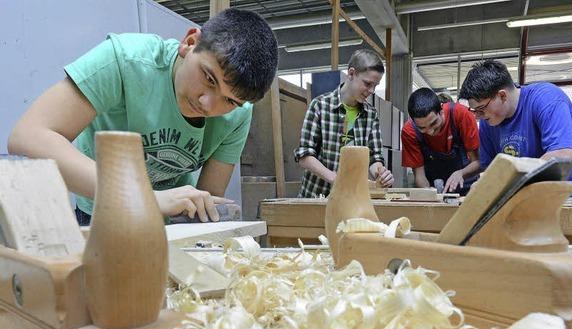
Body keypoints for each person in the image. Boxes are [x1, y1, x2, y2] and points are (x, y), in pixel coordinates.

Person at [8, 8, 279, 224]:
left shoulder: (239, 113)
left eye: (229, 100)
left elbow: (206, 202)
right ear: (190, 42)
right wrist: (144, 198)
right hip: (102, 211)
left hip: (169, 218)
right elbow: (29, 135)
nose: (208, 105)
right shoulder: (126, 60)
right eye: (208, 78)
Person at [458, 59, 572, 199]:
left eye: (481, 109)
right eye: (474, 110)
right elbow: (491, 167)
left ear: (502, 95)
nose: (477, 116)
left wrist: (511, 181)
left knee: (565, 218)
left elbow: (561, 156)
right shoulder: (487, 121)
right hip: (530, 181)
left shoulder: (546, 99)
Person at [294, 49, 394, 198]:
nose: (372, 90)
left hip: (352, 199)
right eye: (367, 84)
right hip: (317, 197)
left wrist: (381, 174)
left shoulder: (371, 115)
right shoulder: (320, 106)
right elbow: (304, 155)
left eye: (375, 85)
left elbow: (374, 157)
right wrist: (335, 178)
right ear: (351, 73)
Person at [401, 88, 480, 195]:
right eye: (422, 128)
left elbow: (478, 162)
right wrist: (429, 197)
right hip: (433, 187)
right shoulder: (410, 132)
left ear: (441, 111)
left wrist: (461, 173)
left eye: (434, 124)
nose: (430, 132)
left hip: (466, 186)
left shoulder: (461, 114)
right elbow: (419, 176)